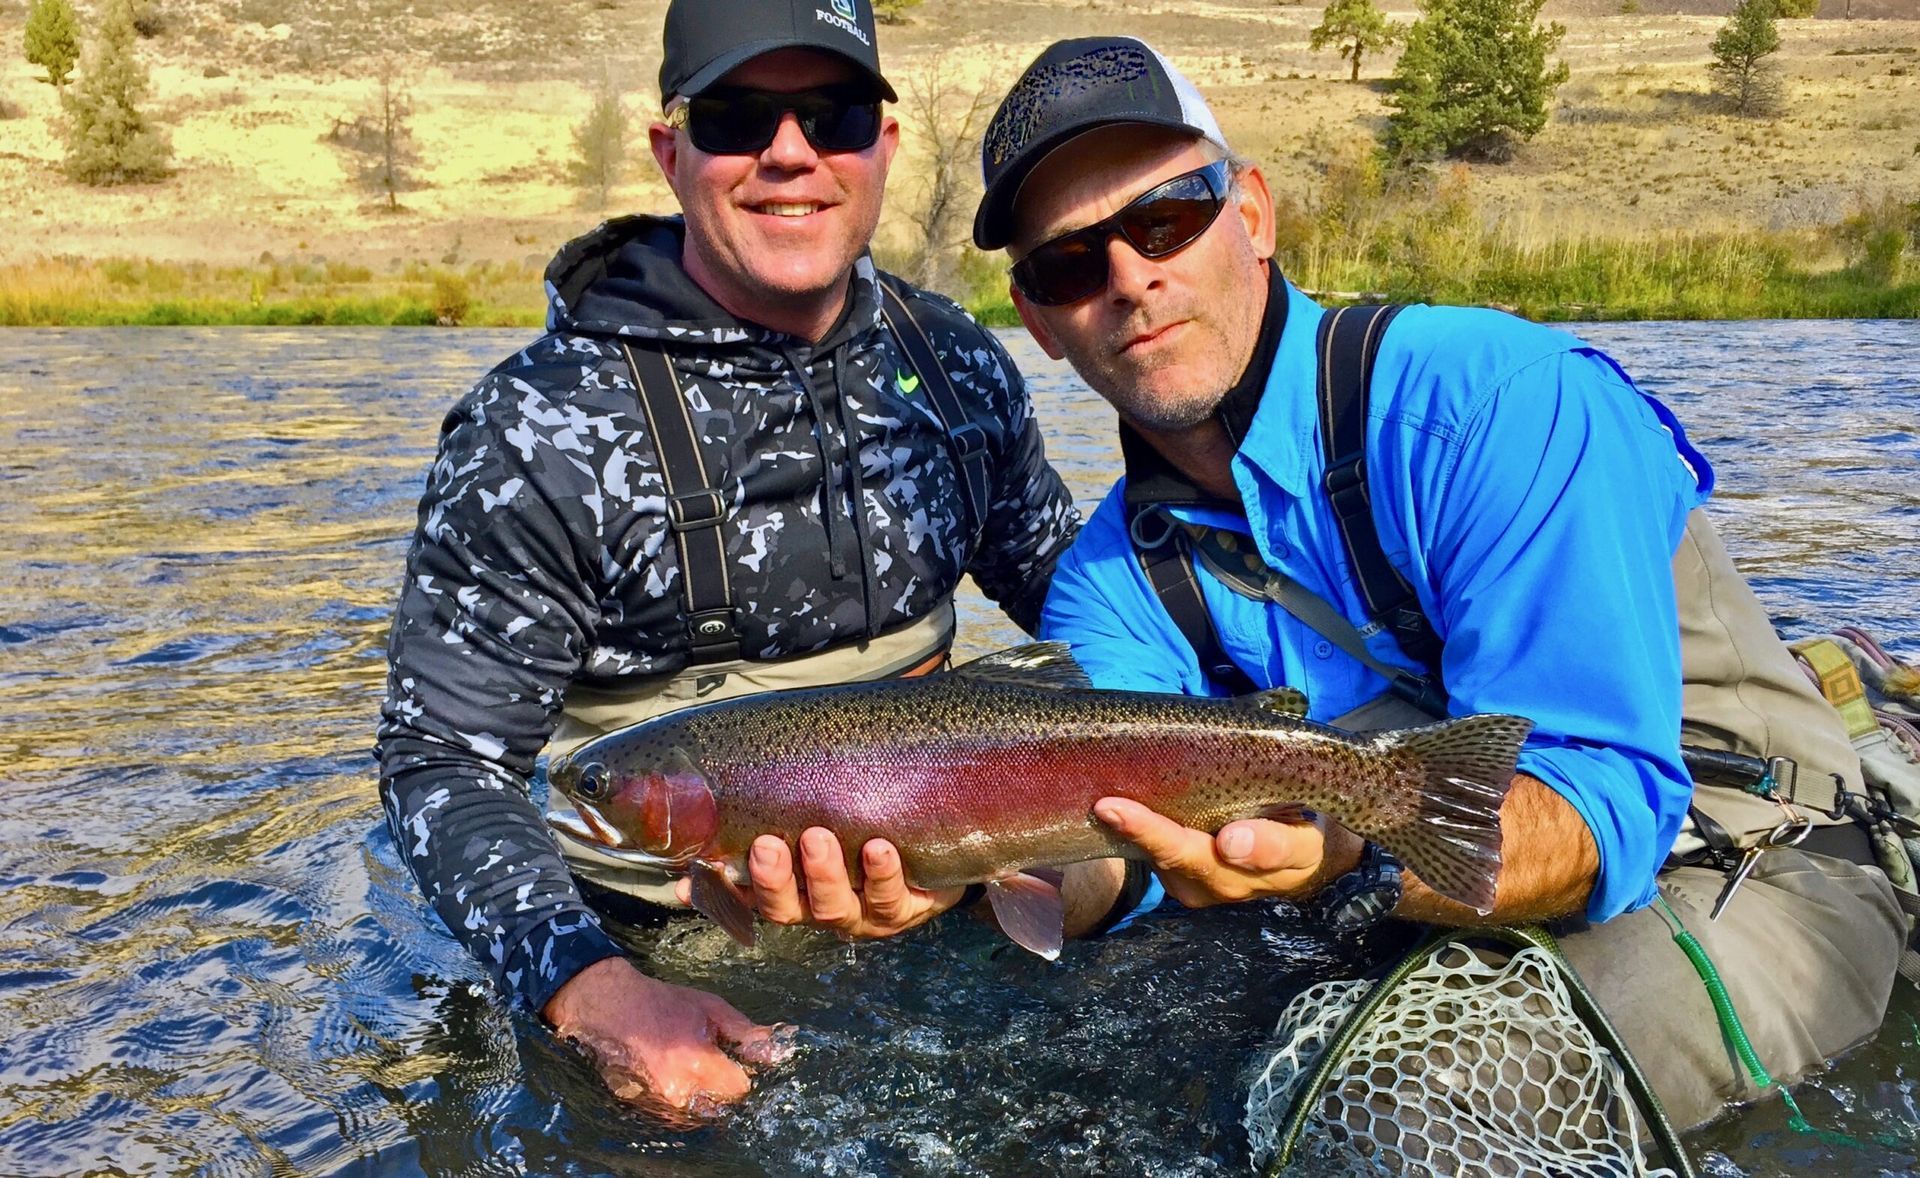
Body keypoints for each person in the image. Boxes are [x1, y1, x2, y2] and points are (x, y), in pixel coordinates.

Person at [966, 35, 1905, 1133]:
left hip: (1737, 852)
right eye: (1073, 263)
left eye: (1165, 218)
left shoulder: (1495, 402)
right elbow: (1112, 857)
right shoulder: (1110, 577)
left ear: (1254, 216)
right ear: (1037, 319)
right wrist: (985, 862)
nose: (1131, 277)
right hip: (1404, 878)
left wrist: (1348, 852)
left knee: (1403, 1107)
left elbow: (1608, 804)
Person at [373, 0, 1079, 1122]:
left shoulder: (953, 364)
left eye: (835, 114)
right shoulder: (539, 430)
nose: (790, 152)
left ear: (884, 145)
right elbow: (441, 759)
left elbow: (1079, 607)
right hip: (652, 947)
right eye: (737, 116)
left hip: (938, 899)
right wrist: (586, 987)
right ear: (670, 152)